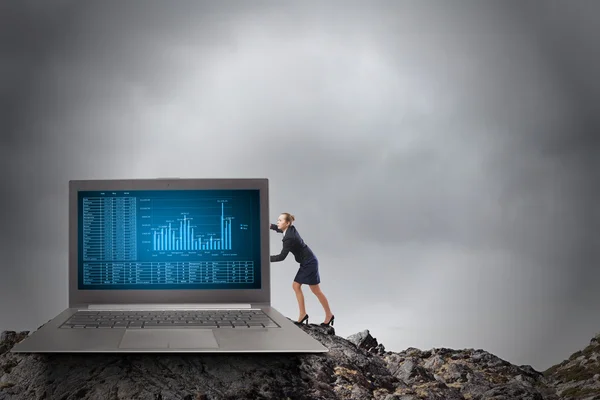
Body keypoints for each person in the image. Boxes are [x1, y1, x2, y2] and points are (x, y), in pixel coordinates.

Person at [269, 212, 334, 327]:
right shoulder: (290, 229)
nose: (278, 222)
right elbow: (280, 229)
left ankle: (304, 314)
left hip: (309, 263)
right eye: (277, 220)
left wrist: (265, 258)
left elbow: (281, 257)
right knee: (315, 290)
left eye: (280, 220)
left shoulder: (289, 238)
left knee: (297, 286)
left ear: (287, 223)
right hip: (309, 261)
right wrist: (270, 226)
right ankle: (328, 315)